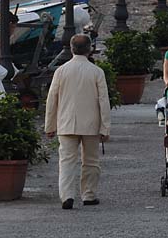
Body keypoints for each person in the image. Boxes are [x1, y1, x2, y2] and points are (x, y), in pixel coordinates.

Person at [45, 34, 111, 210]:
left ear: (72, 49)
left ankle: (67, 196)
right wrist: (105, 127)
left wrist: (50, 125)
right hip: (91, 123)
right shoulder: (97, 72)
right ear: (90, 49)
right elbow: (103, 101)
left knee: (66, 160)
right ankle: (88, 194)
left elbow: (52, 99)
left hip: (66, 122)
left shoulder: (61, 71)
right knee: (90, 160)